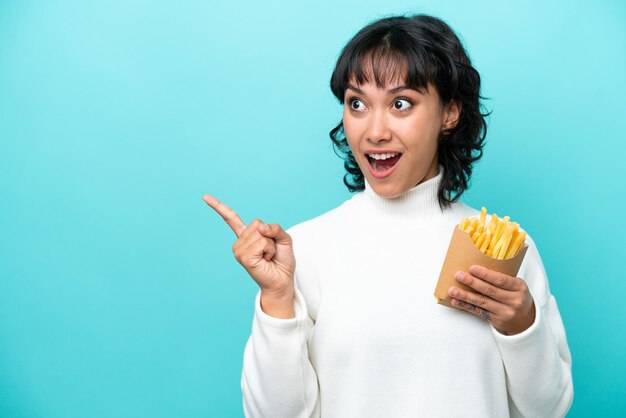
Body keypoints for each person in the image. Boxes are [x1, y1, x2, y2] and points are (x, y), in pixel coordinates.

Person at [203, 13, 573, 418]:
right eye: (357, 103)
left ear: (450, 112)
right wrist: (276, 298)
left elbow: (548, 410)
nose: (374, 131)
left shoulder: (500, 250)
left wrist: (522, 326)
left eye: (401, 104)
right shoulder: (305, 250)